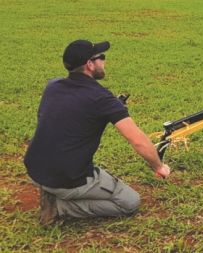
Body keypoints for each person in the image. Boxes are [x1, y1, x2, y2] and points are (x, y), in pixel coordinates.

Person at [24, 40, 170, 225]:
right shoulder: (101, 98)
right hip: (67, 178)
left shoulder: (53, 85)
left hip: (35, 169)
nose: (104, 61)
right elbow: (138, 140)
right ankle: (59, 208)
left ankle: (53, 193)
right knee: (130, 202)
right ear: (90, 64)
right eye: (101, 57)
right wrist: (159, 167)